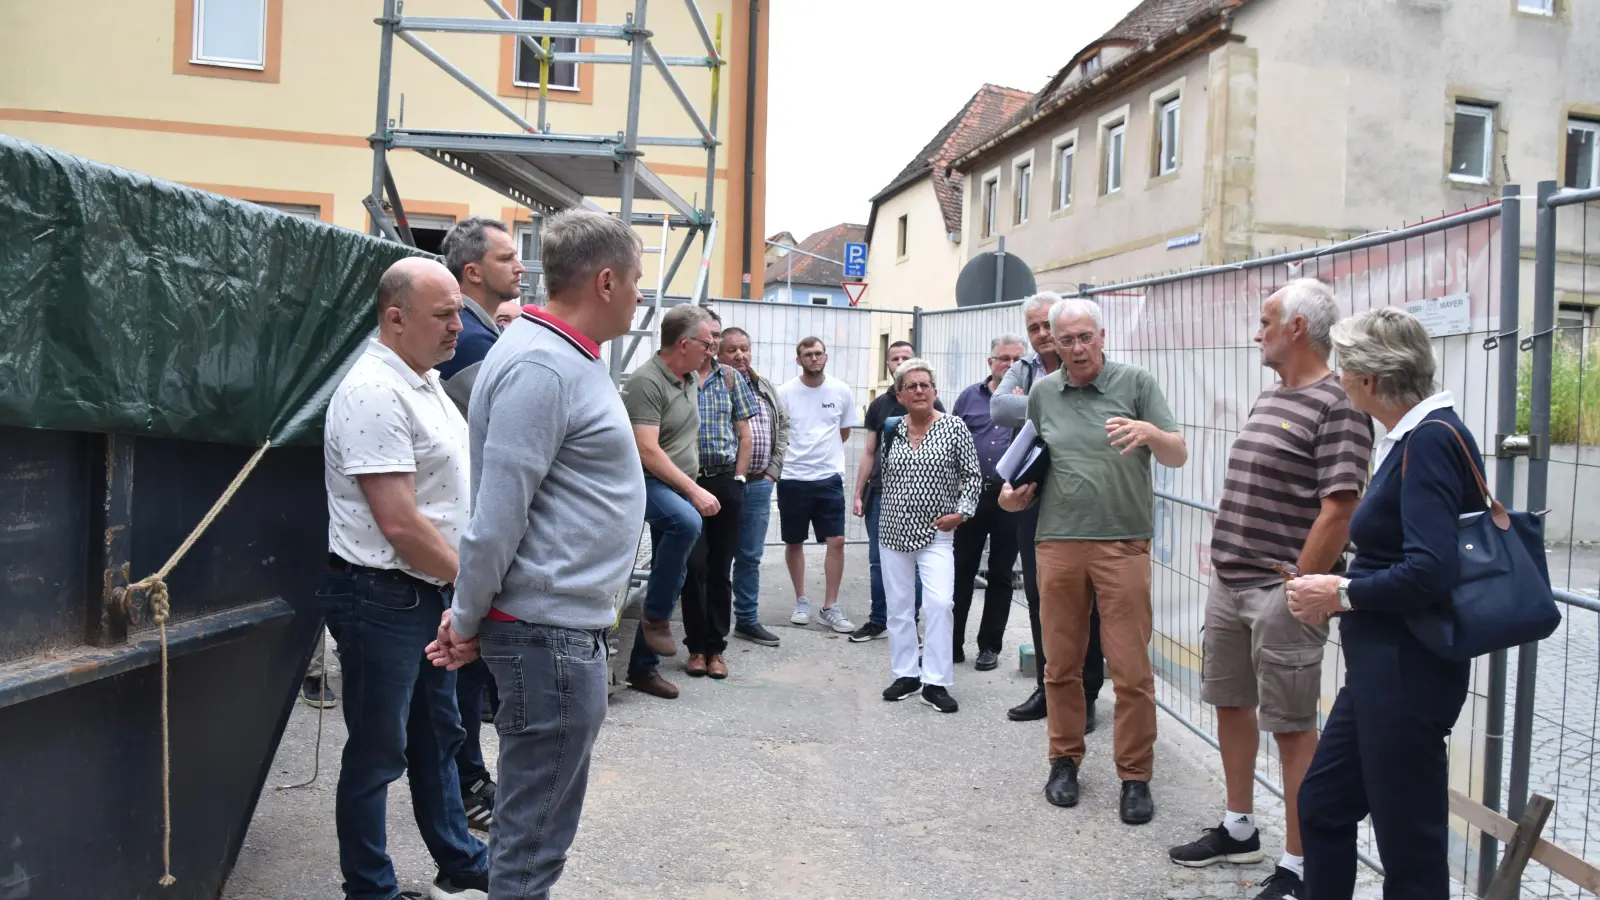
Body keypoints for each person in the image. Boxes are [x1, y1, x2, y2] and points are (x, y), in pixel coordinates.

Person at [429, 209, 646, 900]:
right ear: (606, 280)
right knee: (531, 841)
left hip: (557, 629)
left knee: (537, 829)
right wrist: (465, 619)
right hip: (546, 634)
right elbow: (496, 515)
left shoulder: (552, 356)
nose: (641, 295)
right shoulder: (542, 367)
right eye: (637, 280)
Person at [1166, 280, 1372, 900]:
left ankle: (1300, 862)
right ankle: (1238, 827)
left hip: (1279, 590)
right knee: (1230, 702)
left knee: (1290, 726)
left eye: (1266, 322)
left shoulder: (1339, 404)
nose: (1258, 334)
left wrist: (1297, 586)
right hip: (1231, 580)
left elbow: (1339, 509)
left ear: (1299, 329)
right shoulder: (1271, 395)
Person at [1284, 307, 1479, 900]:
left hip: (1408, 673)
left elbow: (1430, 570)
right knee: (1322, 804)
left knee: (1409, 848)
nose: (1339, 377)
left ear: (1370, 380)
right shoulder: (1414, 437)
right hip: (1382, 671)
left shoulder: (1431, 442)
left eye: (1345, 367)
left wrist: (1339, 592)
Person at [318, 256, 489, 900]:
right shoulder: (372, 392)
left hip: (422, 591)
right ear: (395, 318)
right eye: (443, 314)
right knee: (377, 753)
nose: (456, 325)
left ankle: (461, 859)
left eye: (458, 312)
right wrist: (476, 586)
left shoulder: (422, 380)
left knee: (437, 735)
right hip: (381, 597)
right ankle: (369, 888)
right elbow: (401, 524)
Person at [1000, 296, 1187, 827]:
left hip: (1122, 543)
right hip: (1056, 541)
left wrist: (1150, 433)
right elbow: (1033, 468)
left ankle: (1135, 776)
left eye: (1085, 337)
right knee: (1059, 664)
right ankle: (1064, 761)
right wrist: (1015, 499)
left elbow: (1177, 452)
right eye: (1066, 340)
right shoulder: (1042, 393)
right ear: (1051, 345)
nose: (1078, 348)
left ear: (1101, 337)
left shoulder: (1136, 384)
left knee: (1130, 670)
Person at [432, 215, 526, 834]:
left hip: (463, 524)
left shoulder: (484, 335)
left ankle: (466, 776)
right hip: (457, 528)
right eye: (507, 259)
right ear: (472, 272)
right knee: (459, 666)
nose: (520, 267)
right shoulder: (469, 342)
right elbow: (503, 440)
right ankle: (467, 782)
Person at [990, 293, 1105, 727]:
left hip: (1084, 497)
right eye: (1034, 328)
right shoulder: (1023, 368)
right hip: (1034, 495)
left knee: (1086, 601)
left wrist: (1038, 406)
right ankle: (1047, 687)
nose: (1041, 336)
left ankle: (1088, 693)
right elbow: (999, 408)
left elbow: (1092, 409)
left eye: (1046, 328)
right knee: (1041, 597)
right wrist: (1056, 404)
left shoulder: (1092, 363)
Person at [623, 304, 719, 699]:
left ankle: (642, 669)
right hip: (645, 482)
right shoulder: (649, 381)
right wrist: (694, 491)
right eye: (707, 343)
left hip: (675, 484)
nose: (711, 350)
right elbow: (646, 450)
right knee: (686, 522)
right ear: (684, 343)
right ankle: (657, 616)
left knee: (675, 571)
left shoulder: (689, 378)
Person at [877, 359, 982, 714]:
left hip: (937, 531)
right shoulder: (891, 427)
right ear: (900, 395)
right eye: (912, 386)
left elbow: (972, 476)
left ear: (935, 392)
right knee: (899, 608)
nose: (919, 391)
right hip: (892, 529)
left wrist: (962, 512)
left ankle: (935, 681)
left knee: (939, 604)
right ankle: (906, 673)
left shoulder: (954, 428)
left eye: (925, 385)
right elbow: (886, 476)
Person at [675, 308, 756, 679]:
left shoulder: (731, 379)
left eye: (715, 338)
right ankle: (695, 647)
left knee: (722, 568)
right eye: (706, 337)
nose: (712, 344)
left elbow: (745, 433)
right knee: (694, 567)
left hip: (724, 481)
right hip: (688, 482)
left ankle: (716, 649)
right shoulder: (679, 377)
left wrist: (739, 478)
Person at [849, 340, 945, 643]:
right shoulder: (879, 405)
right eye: (894, 358)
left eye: (906, 356)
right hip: (880, 494)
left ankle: (909, 623)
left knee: (914, 561)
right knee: (879, 560)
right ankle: (879, 620)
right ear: (888, 365)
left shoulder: (930, 402)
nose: (900, 361)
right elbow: (868, 451)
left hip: (919, 498)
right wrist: (858, 493)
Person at [949, 335, 1026, 671]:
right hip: (972, 495)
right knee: (961, 571)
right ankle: (951, 644)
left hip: (1011, 496)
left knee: (1000, 575)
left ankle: (989, 646)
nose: (1010, 365)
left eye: (1017, 360)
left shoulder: (1033, 399)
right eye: (1003, 358)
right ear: (990, 362)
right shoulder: (969, 397)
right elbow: (950, 440)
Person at [777, 337, 858, 633]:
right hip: (793, 478)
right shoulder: (784, 392)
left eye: (819, 353)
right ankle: (801, 600)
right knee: (793, 542)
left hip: (828, 478)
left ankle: (830, 606)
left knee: (836, 541)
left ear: (826, 357)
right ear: (799, 360)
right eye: (808, 354)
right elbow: (780, 432)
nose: (814, 358)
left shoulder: (841, 390)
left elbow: (844, 432)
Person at [720, 326, 790, 647]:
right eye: (732, 349)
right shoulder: (714, 386)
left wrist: (773, 471)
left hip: (761, 483)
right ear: (719, 354)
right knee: (718, 554)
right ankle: (712, 624)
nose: (740, 355)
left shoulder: (764, 388)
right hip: (723, 484)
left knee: (750, 556)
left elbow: (783, 425)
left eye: (745, 348)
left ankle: (746, 620)